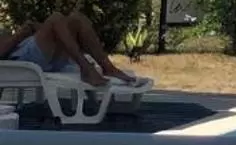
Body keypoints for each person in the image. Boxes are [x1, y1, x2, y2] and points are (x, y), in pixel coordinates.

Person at [0, 11, 139, 88]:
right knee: (55, 18)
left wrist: (34, 28)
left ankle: (108, 67)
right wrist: (20, 34)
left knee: (77, 18)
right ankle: (86, 68)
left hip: (38, 52)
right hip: (23, 60)